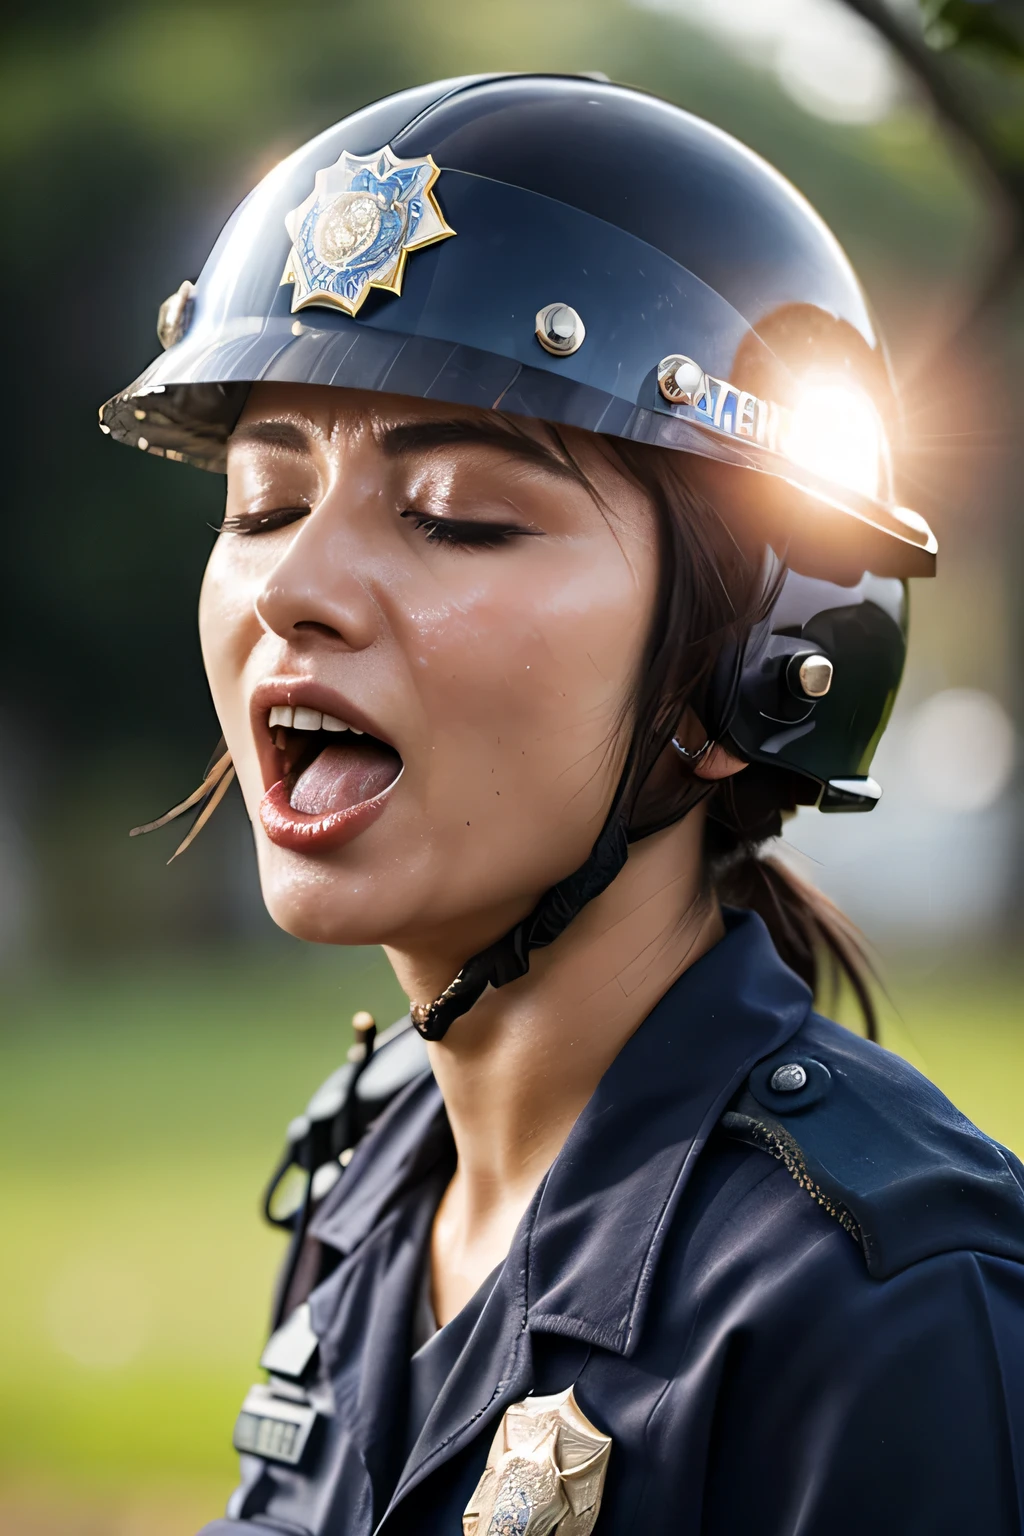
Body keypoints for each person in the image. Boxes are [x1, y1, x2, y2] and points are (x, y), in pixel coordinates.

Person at [99, 75, 1024, 1536]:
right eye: (265, 506)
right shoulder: (374, 1172)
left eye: (457, 515)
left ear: (749, 670)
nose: (291, 589)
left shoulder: (886, 1298)